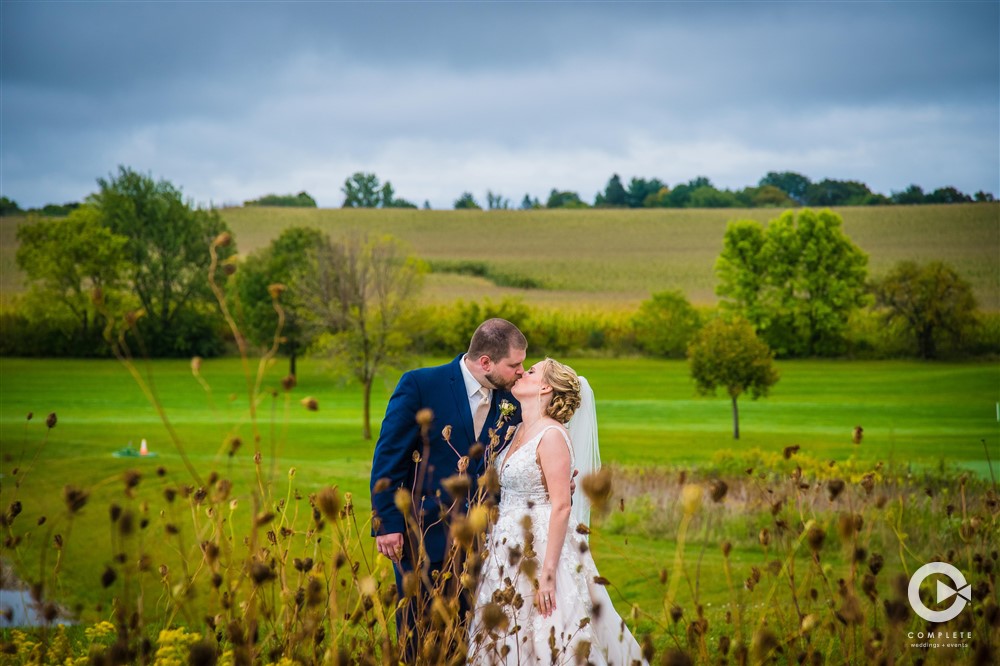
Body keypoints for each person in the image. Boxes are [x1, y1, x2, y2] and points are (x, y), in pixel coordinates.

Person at [468, 358, 646, 665]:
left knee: (548, 631)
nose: (523, 372)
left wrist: (548, 573)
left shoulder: (551, 435)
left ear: (546, 387)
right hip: (505, 546)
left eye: (532, 371)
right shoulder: (517, 429)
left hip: (541, 547)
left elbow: (563, 505)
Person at [370, 318, 527, 652]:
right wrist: (385, 522)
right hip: (425, 535)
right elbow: (389, 456)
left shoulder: (513, 400)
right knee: (417, 635)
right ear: (486, 362)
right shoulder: (421, 385)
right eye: (514, 364)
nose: (521, 372)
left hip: (485, 544)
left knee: (465, 639)